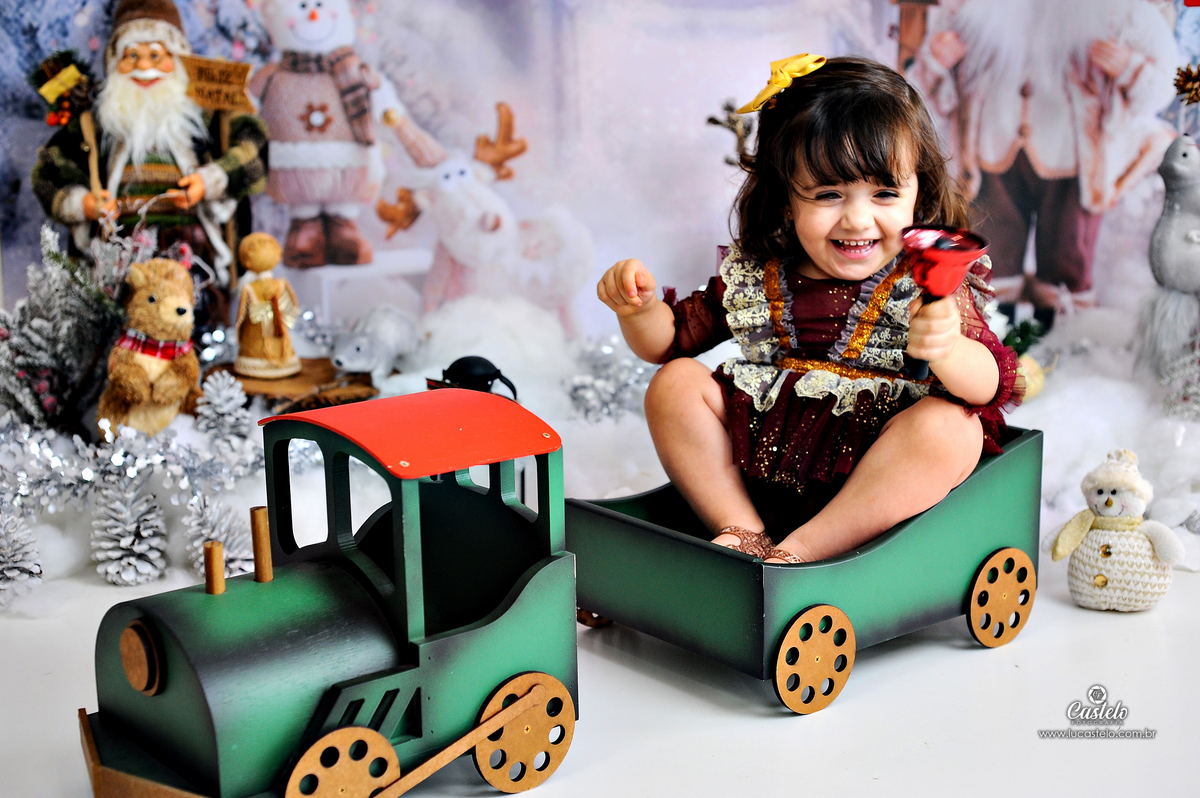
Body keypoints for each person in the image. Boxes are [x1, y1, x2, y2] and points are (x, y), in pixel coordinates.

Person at [597, 55, 1022, 564]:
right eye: (828, 194)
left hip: (875, 481)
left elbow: (988, 386)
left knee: (951, 430)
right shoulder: (760, 277)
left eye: (884, 193)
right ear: (785, 200)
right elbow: (667, 344)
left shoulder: (926, 280)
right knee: (675, 383)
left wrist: (948, 348)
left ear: (918, 192)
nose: (857, 219)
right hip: (764, 467)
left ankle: (800, 553)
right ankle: (744, 531)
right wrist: (637, 309)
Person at [907, 0, 1177, 314]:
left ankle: (1059, 328)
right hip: (990, 153)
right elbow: (921, 91)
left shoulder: (1119, 13)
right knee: (992, 253)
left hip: (1073, 163)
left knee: (1068, 255)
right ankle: (992, 324)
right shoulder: (969, 10)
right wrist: (935, 61)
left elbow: (1163, 85)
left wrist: (1131, 69)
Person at [31, 0, 267, 332]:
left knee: (192, 316)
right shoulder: (95, 121)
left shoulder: (207, 112)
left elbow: (253, 149)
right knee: (128, 323)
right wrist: (83, 202)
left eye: (156, 55)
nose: (144, 66)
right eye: (131, 56)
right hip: (121, 250)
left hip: (191, 243)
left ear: (177, 57)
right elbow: (48, 172)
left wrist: (211, 180)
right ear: (114, 62)